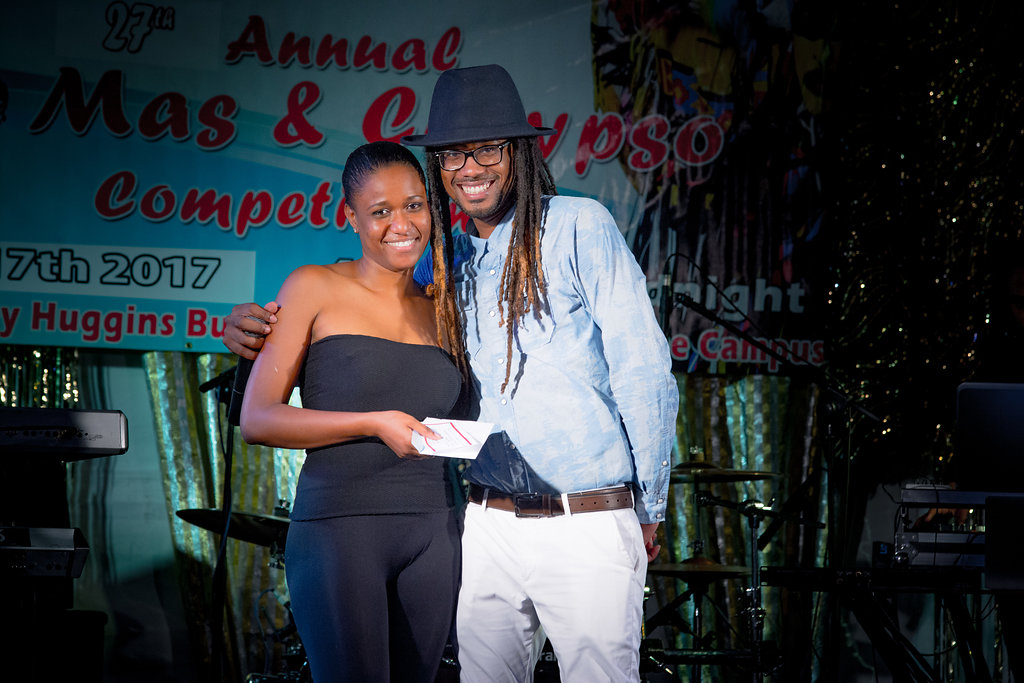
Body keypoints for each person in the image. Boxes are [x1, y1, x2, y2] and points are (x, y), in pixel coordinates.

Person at [226, 64, 679, 682]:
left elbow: (643, 368)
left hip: (585, 517)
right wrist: (250, 328)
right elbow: (366, 295)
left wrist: (649, 505)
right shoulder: (450, 263)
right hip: (485, 522)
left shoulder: (578, 225)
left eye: (487, 149)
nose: (470, 168)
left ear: (518, 151)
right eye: (452, 155)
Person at [237, 141, 469, 683]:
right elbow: (259, 419)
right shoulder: (313, 286)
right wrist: (371, 422)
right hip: (340, 529)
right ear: (351, 217)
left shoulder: (445, 307)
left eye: (414, 205)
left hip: (437, 530)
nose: (401, 224)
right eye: (380, 211)